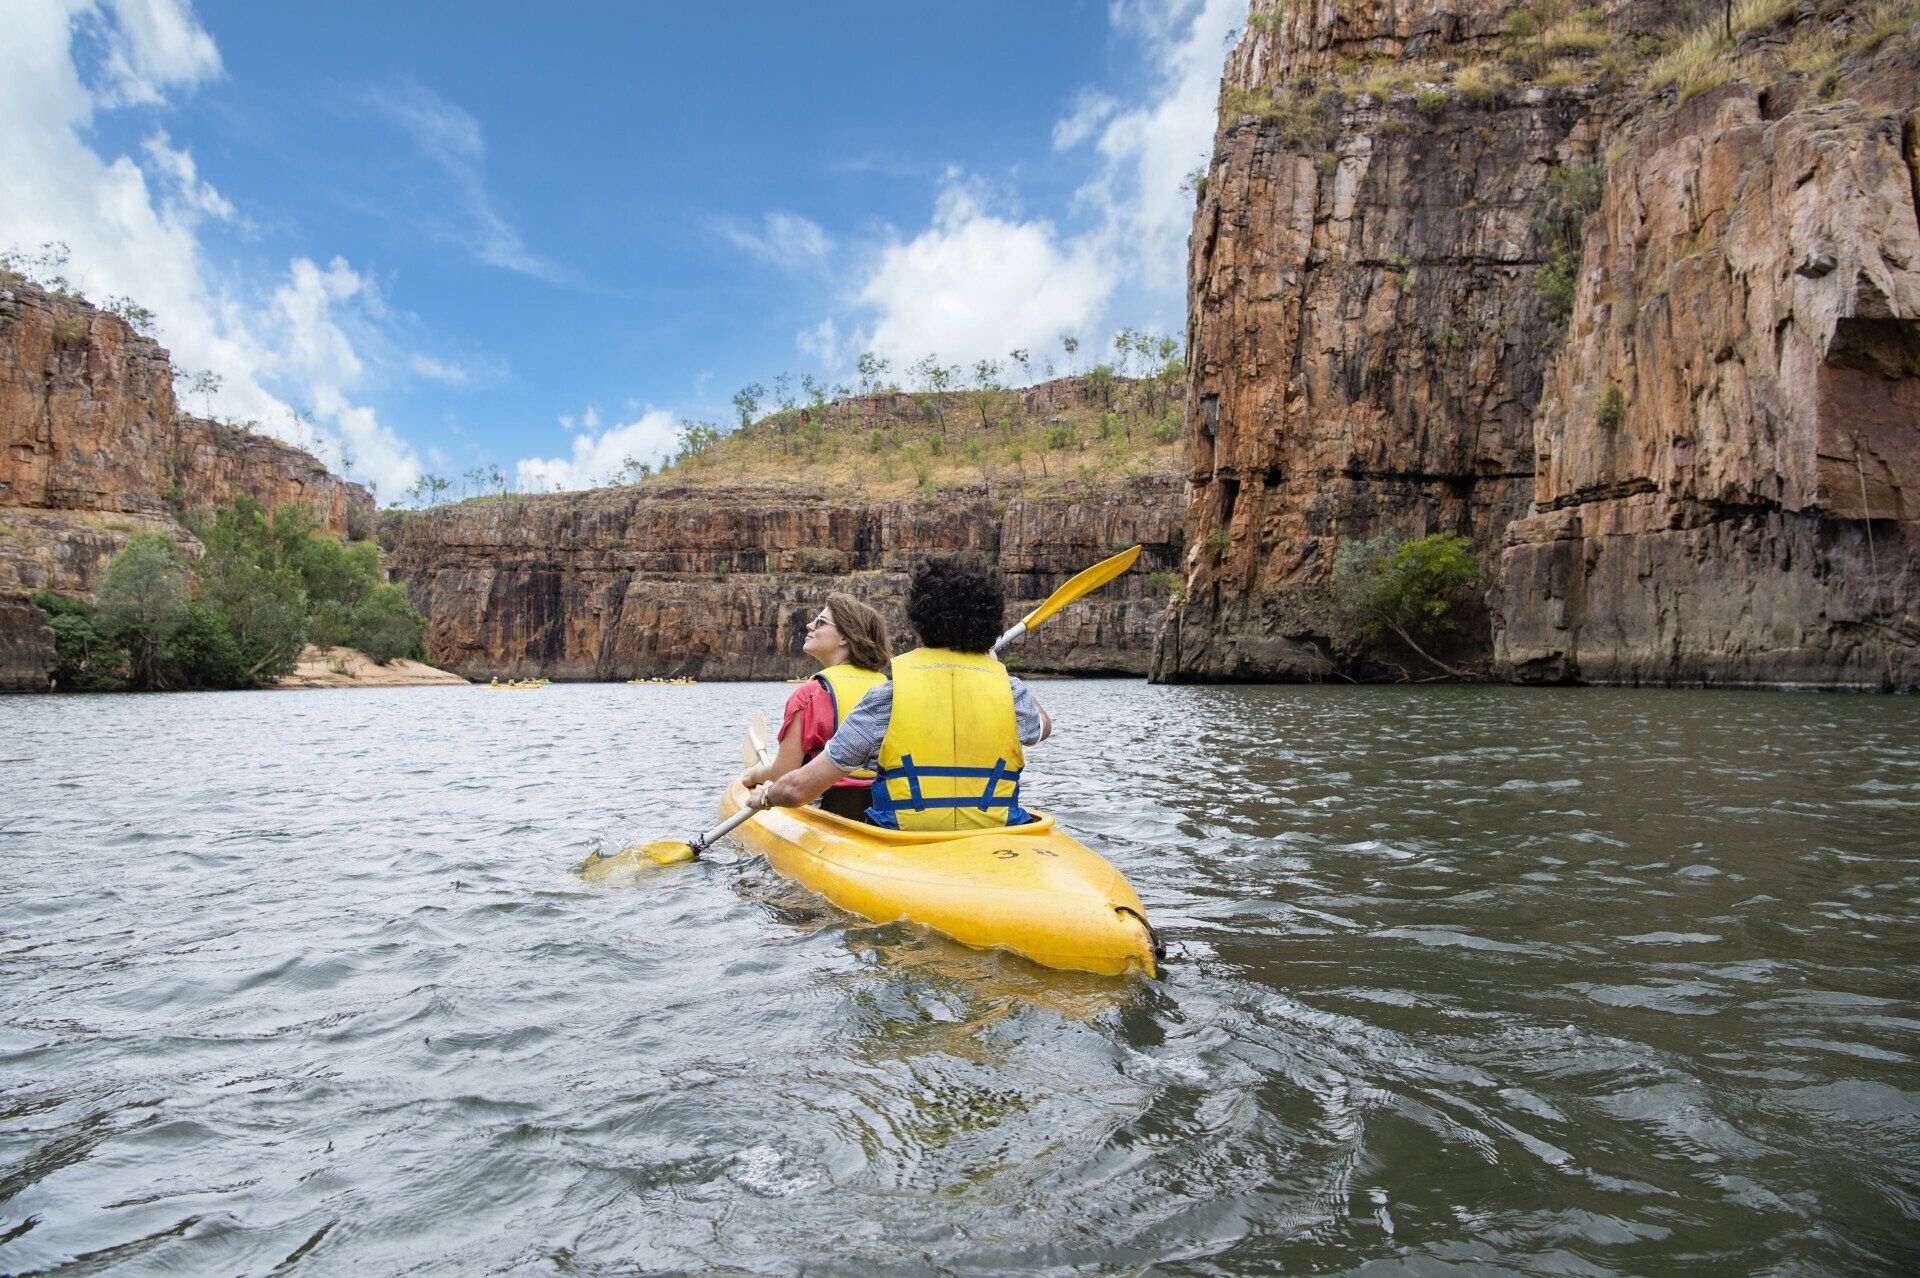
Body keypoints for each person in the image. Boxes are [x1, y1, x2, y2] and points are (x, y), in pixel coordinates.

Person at [761, 552, 1051, 829]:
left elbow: (799, 790)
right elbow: (1041, 728)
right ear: (990, 623)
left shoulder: (887, 698)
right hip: (994, 834)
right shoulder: (1010, 691)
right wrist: (998, 670)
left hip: (905, 840)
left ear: (920, 623)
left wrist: (766, 796)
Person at [740, 591, 892, 821]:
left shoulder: (810, 694)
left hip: (826, 811)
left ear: (843, 638)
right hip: (883, 810)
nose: (809, 625)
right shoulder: (889, 690)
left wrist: (752, 776)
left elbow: (784, 772)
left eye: (820, 622)